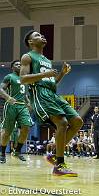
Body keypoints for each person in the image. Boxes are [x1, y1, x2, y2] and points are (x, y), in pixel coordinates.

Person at [20, 30, 83, 176]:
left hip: (53, 94)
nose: (41, 36)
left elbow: (51, 82)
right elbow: (23, 79)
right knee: (62, 123)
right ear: (30, 42)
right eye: (37, 36)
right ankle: (59, 165)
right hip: (40, 95)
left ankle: (54, 155)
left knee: (77, 121)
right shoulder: (27, 56)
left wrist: (62, 74)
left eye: (42, 35)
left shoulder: (47, 60)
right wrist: (44, 74)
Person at [0, 60, 33, 164]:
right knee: (7, 132)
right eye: (16, 64)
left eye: (20, 64)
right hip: (11, 105)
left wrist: (29, 103)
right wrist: (7, 97)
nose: (19, 65)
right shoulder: (9, 77)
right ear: (12, 68)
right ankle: (3, 153)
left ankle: (17, 151)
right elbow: (1, 89)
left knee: (26, 127)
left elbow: (25, 94)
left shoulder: (25, 79)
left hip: (22, 106)